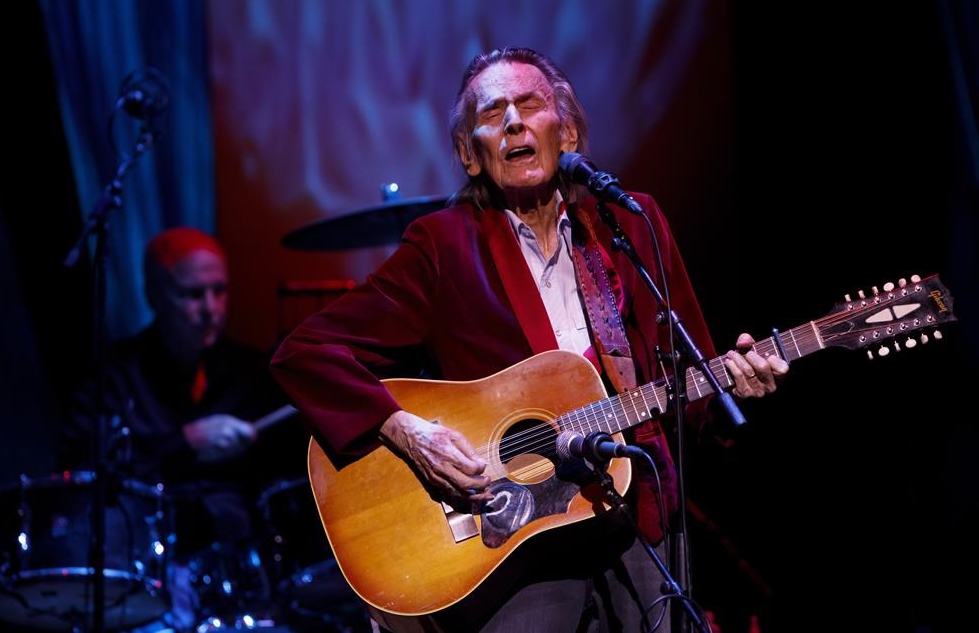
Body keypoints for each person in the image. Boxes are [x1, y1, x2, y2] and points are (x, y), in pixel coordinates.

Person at [270, 47, 788, 632]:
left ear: (565, 129)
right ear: (471, 154)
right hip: (513, 551)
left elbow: (686, 386)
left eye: (530, 104)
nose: (514, 121)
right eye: (493, 113)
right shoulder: (444, 246)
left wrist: (733, 388)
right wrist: (409, 433)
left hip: (634, 525)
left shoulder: (629, 226)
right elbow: (306, 352)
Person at [60, 227, 299, 630]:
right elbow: (83, 472)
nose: (211, 308)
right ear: (153, 295)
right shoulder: (114, 376)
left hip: (239, 570)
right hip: (144, 566)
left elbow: (284, 482)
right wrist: (185, 442)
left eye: (220, 290)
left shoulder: (249, 372)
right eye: (192, 295)